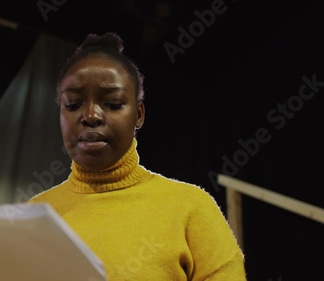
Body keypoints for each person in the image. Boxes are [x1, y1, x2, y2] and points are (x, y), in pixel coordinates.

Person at [28, 32, 247, 281]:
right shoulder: (33, 215)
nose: (91, 116)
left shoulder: (191, 209)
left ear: (139, 114)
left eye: (112, 103)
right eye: (73, 104)